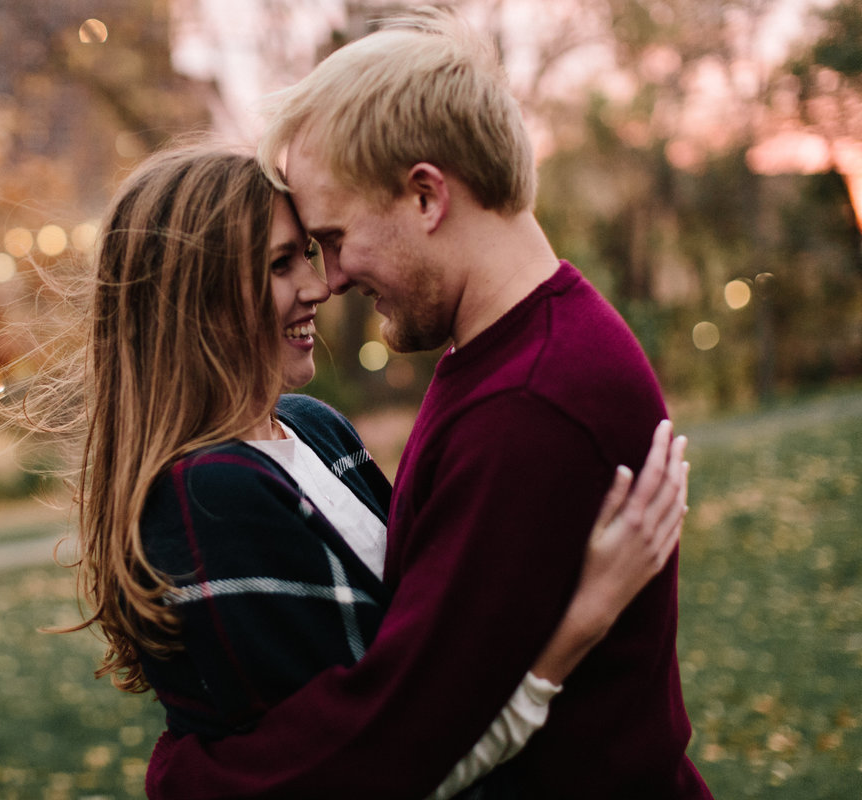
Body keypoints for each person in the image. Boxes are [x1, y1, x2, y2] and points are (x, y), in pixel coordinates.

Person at [143, 11, 713, 800]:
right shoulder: (503, 354)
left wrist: (199, 779)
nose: (332, 277)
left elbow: (405, 728)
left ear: (424, 196)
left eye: (335, 237)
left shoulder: (529, 404)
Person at [26, 143, 689, 798]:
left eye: (309, 253)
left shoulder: (316, 427)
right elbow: (384, 761)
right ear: (203, 297)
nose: (319, 286)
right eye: (282, 265)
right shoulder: (209, 496)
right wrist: (579, 623)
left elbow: (428, 659)